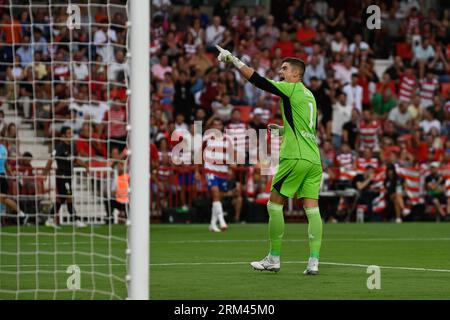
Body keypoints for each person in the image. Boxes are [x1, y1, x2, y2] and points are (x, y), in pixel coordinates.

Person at [216, 46, 323, 275]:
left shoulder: (291, 88)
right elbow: (306, 127)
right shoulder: (309, 95)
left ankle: (273, 258)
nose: (281, 71)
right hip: (314, 159)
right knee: (312, 210)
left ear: (296, 74)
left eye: (284, 69)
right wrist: (284, 130)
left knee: (274, 204)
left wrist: (234, 60)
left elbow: (258, 81)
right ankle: (314, 261)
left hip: (294, 156)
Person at [43, 127, 89, 228]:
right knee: (69, 197)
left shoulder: (72, 146)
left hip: (68, 176)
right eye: (68, 133)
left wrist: (85, 166)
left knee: (61, 199)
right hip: (61, 176)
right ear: (63, 135)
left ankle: (50, 219)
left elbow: (75, 160)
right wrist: (45, 173)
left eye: (71, 133)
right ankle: (76, 220)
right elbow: (51, 159)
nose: (71, 135)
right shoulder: (59, 147)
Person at [196, 117, 231, 232]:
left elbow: (231, 155)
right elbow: (199, 155)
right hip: (210, 170)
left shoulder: (227, 139)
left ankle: (212, 224)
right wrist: (197, 171)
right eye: (214, 125)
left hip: (223, 171)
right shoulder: (207, 138)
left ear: (222, 126)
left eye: (219, 125)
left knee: (218, 199)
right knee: (215, 194)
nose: (217, 127)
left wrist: (231, 167)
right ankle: (222, 222)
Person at [0, 136, 27, 224]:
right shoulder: (4, 149)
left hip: (1, 176)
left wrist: (11, 175)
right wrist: (11, 175)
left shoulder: (3, 149)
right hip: (3, 176)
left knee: (3, 199)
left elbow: (5, 164)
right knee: (3, 199)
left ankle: (21, 213)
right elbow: (6, 164)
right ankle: (21, 213)